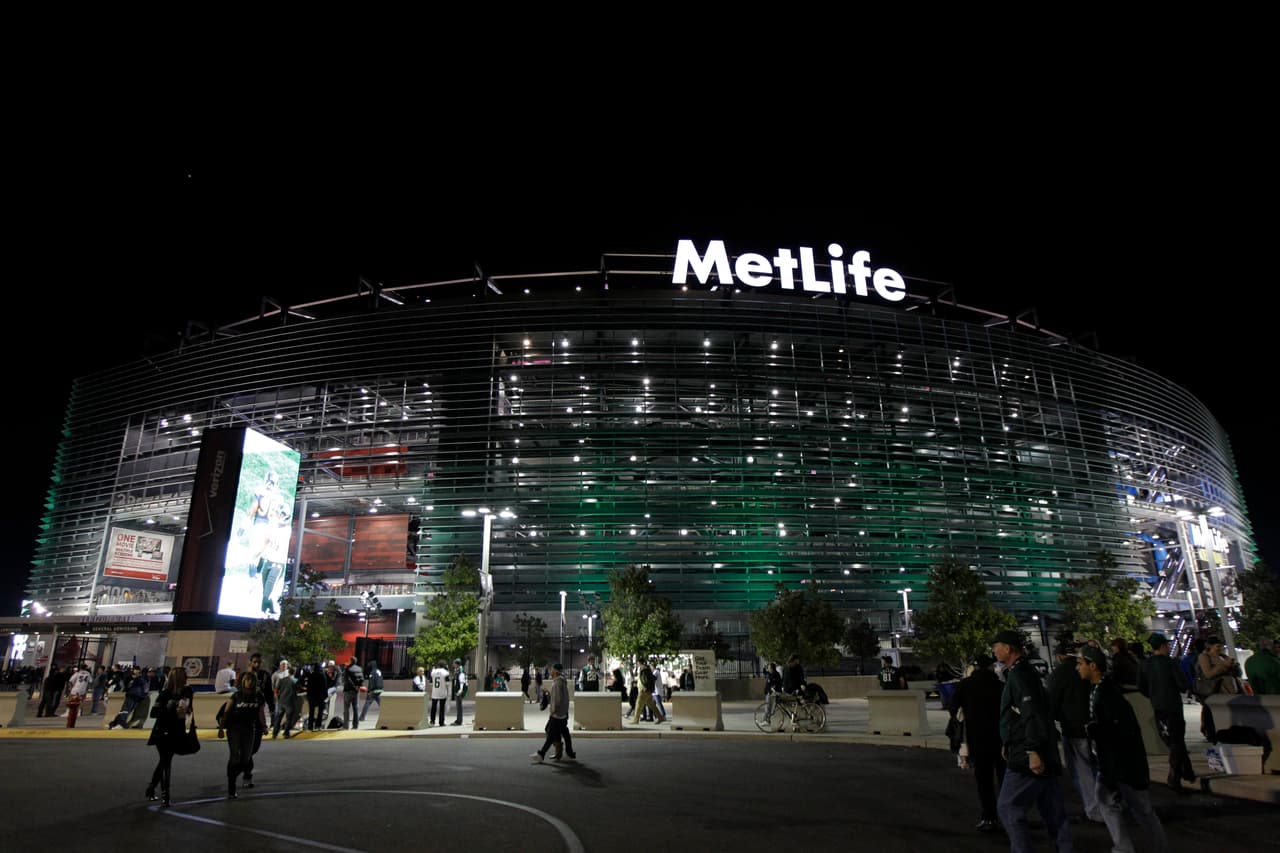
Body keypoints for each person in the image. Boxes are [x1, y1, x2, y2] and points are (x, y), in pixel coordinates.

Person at [1077, 645, 1168, 853]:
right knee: (1109, 802)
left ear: (1093, 666)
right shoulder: (1098, 690)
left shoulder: (1110, 696)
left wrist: (1095, 730)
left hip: (1123, 765)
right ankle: (1124, 847)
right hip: (1112, 764)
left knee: (1141, 809)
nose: (1077, 668)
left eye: (1081, 663)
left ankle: (1152, 847)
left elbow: (1120, 732)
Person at [991, 629, 1072, 853]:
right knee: (1053, 812)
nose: (994, 652)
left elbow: (1031, 712)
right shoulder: (1024, 673)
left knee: (1008, 807)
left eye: (996, 647)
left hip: (1028, 755)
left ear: (1007, 648)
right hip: (1038, 749)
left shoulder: (1020, 675)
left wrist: (1031, 750)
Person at [948, 654, 1005, 833]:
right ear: (991, 667)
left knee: (984, 780)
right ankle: (1009, 815)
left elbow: (952, 708)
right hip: (1000, 738)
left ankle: (989, 817)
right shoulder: (1001, 686)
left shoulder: (965, 685)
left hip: (977, 738)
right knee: (1004, 778)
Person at [1047, 641, 1102, 822]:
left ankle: (1096, 811)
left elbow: (1052, 700)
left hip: (1074, 727)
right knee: (1099, 768)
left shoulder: (1061, 672)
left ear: (1060, 656)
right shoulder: (1091, 669)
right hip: (1096, 726)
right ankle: (1110, 805)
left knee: (1082, 771)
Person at [1139, 632, 1195, 791]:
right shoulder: (1170, 663)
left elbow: (1141, 686)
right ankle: (1175, 775)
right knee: (1177, 740)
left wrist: (1152, 694)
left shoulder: (1145, 664)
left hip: (1157, 706)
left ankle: (1188, 771)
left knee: (1171, 740)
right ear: (1163, 646)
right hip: (1173, 705)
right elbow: (1182, 684)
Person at [146, 667, 194, 807]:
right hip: (163, 731)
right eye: (184, 676)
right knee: (166, 761)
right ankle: (165, 794)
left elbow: (190, 709)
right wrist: (171, 710)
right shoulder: (165, 694)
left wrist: (186, 713)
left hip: (177, 730)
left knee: (164, 761)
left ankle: (152, 787)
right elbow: (154, 713)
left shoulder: (187, 692)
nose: (187, 678)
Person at [217, 672, 265, 799]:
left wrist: (264, 726)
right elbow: (226, 712)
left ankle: (232, 775)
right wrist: (221, 728)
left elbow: (261, 712)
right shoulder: (237, 695)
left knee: (246, 759)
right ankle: (231, 786)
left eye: (251, 680)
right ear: (243, 681)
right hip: (235, 729)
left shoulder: (258, 696)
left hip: (250, 729)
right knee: (235, 756)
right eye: (247, 680)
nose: (249, 682)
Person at [1196, 635, 1241, 739]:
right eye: (1217, 646)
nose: (1220, 649)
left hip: (1229, 691)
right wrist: (1224, 665)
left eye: (1221, 646)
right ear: (1210, 646)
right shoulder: (1204, 657)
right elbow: (1208, 674)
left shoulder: (1224, 656)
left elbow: (1236, 674)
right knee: (1214, 714)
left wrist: (1234, 667)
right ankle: (1213, 734)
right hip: (1214, 690)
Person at [531, 662, 575, 763]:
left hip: (557, 715)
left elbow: (558, 700)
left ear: (555, 671)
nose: (550, 671)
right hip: (562, 714)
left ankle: (541, 754)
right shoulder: (561, 682)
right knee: (562, 732)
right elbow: (560, 698)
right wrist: (548, 693)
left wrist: (553, 712)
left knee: (550, 735)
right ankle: (567, 752)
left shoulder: (557, 683)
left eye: (552, 669)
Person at [631, 660, 665, 724]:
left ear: (639, 663)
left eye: (637, 663)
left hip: (644, 690)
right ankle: (660, 717)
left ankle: (636, 720)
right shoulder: (646, 669)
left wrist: (645, 687)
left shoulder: (644, 670)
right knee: (652, 705)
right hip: (647, 690)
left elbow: (645, 680)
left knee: (638, 704)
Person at [272, 662, 298, 738]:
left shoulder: (282, 680)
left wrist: (277, 698)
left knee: (278, 717)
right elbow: (298, 690)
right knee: (288, 718)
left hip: (281, 701)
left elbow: (276, 689)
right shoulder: (295, 681)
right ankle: (286, 733)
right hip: (290, 702)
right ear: (294, 672)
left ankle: (275, 733)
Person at [305, 663, 329, 731]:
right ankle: (318, 725)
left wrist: (308, 696)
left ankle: (310, 726)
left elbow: (308, 686)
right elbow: (325, 686)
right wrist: (325, 696)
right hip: (320, 696)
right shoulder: (322, 675)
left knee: (311, 712)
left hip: (312, 696)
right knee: (320, 712)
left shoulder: (311, 675)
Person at [342, 658, 364, 729]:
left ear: (351, 661)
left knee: (346, 708)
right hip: (356, 691)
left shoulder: (347, 669)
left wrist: (354, 686)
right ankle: (355, 725)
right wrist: (358, 687)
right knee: (356, 708)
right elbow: (362, 679)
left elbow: (347, 680)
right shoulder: (359, 669)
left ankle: (346, 726)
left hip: (348, 690)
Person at [429, 659, 450, 726]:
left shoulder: (433, 672)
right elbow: (448, 683)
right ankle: (441, 722)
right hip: (442, 692)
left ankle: (432, 721)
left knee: (433, 707)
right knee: (442, 708)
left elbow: (431, 683)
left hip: (434, 692)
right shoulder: (446, 673)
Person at [450, 659, 466, 725]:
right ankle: (458, 719)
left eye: (454, 663)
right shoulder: (457, 670)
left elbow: (462, 680)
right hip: (457, 689)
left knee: (459, 705)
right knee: (458, 705)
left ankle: (459, 721)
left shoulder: (461, 671)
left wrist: (461, 689)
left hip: (459, 689)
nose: (453, 664)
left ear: (457, 664)